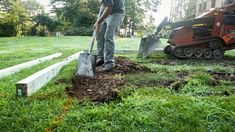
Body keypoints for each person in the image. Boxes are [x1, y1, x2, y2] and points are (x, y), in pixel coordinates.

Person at [94, 0, 125, 72]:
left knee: (108, 36)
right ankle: (101, 58)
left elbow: (110, 6)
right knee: (99, 34)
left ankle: (109, 62)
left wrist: (98, 22)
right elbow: (105, 4)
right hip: (107, 10)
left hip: (116, 12)